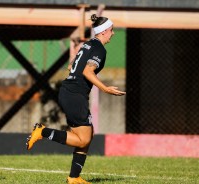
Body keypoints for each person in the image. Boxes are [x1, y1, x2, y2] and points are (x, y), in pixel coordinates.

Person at [26, 14, 126, 184]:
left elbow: (72, 64)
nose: (113, 33)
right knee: (84, 138)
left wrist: (77, 69)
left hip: (70, 92)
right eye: (111, 30)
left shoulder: (88, 44)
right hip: (74, 95)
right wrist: (105, 88)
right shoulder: (100, 49)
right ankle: (42, 132)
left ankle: (74, 177)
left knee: (88, 134)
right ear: (103, 32)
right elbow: (87, 71)